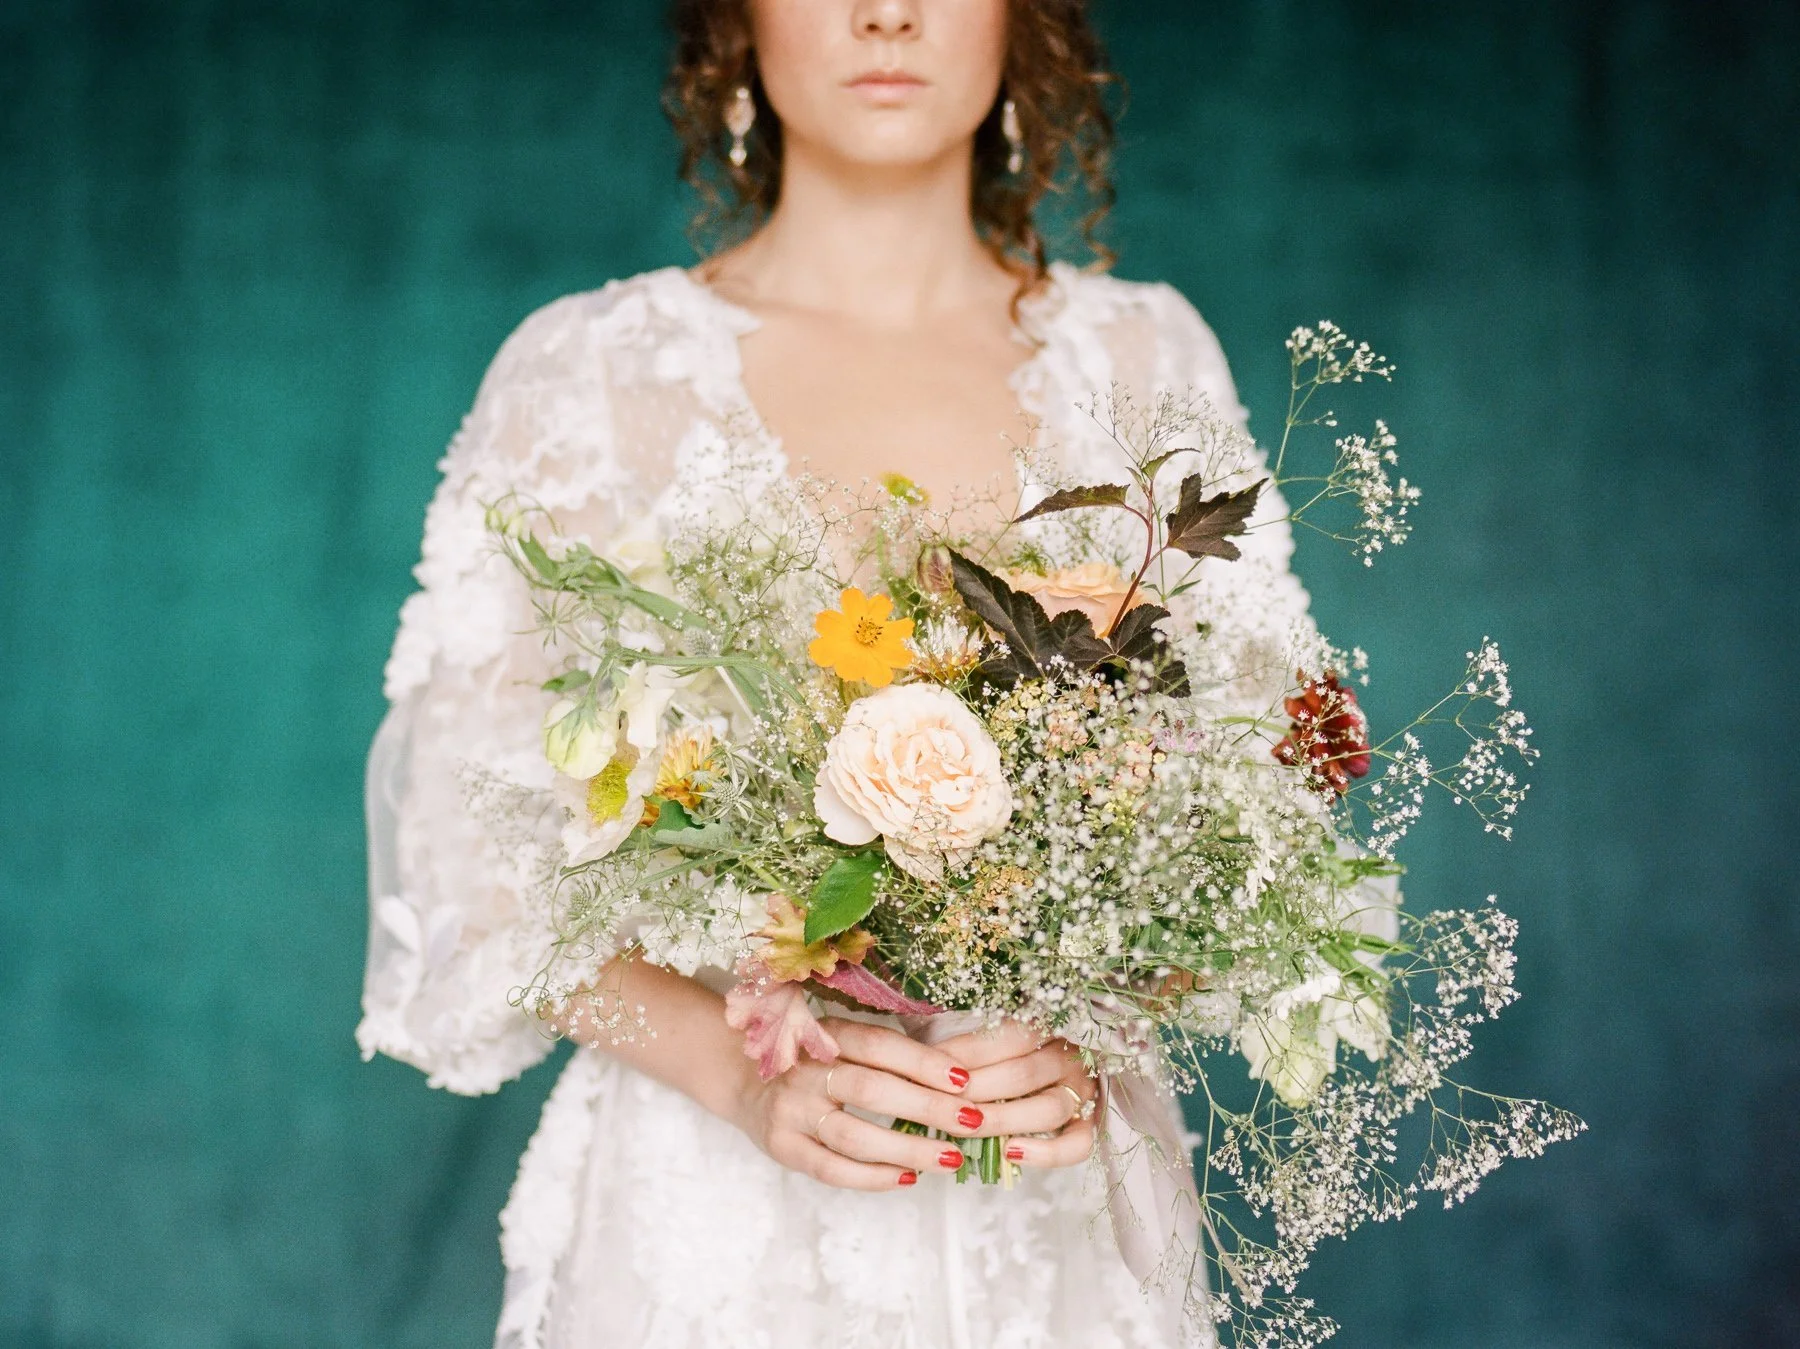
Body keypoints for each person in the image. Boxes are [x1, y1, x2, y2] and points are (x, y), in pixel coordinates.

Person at [358, 2, 1307, 1345]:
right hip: (710, 1221)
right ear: (733, 27)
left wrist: (1091, 1031)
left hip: (1049, 1207)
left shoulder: (1142, 359)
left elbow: (1258, 796)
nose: (887, 13)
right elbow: (471, 851)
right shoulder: (592, 375)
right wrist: (737, 1080)